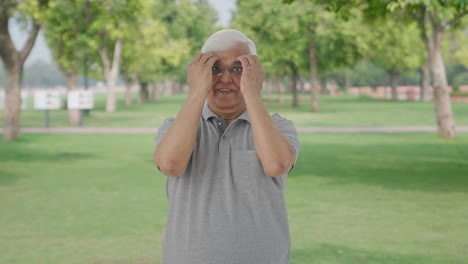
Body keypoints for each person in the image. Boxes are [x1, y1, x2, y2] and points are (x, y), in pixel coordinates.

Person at [153, 29, 300, 264]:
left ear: (255, 73)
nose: (225, 78)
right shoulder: (174, 127)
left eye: (237, 69)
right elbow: (171, 165)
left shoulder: (279, 127)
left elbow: (276, 164)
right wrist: (197, 91)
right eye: (215, 68)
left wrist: (250, 92)